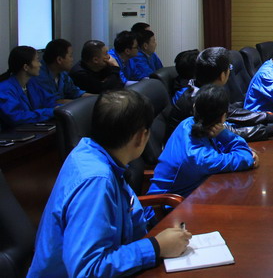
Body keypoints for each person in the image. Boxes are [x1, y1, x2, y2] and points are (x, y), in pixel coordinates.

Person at [28, 90, 191, 276]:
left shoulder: (92, 153)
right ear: (141, 136)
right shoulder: (96, 181)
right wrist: (155, 247)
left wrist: (160, 238)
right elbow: (87, 270)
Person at [168, 47, 273, 141]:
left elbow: (232, 112)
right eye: (229, 68)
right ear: (222, 75)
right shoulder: (200, 100)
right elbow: (227, 132)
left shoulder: (202, 90)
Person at [149, 85, 258, 199]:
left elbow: (232, 152)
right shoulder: (201, 158)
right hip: (166, 205)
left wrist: (224, 135)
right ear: (223, 117)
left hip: (190, 195)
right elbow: (246, 157)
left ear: (195, 107)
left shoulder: (187, 123)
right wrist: (225, 135)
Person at [0, 46, 56, 128]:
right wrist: (49, 112)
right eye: (37, 60)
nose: (40, 64)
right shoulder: (5, 90)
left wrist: (59, 108)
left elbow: (48, 101)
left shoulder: (31, 84)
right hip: (14, 133)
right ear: (26, 67)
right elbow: (16, 117)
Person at [31, 39, 89, 105]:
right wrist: (81, 104)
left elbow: (75, 92)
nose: (72, 59)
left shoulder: (62, 73)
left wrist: (96, 98)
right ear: (59, 60)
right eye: (70, 56)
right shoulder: (38, 76)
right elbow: (53, 102)